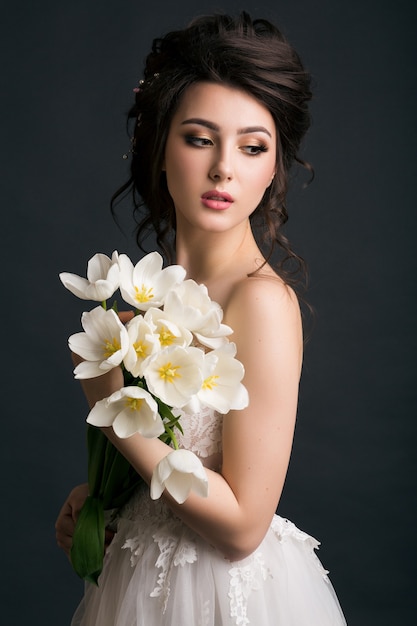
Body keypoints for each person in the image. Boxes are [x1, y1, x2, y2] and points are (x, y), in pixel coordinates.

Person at [56, 12, 346, 625]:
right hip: (139, 587)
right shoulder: (148, 298)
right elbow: (174, 473)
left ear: (274, 170)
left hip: (225, 597)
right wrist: (102, 501)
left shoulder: (260, 301)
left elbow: (241, 527)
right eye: (199, 137)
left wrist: (119, 422)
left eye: (252, 146)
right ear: (157, 146)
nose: (224, 169)